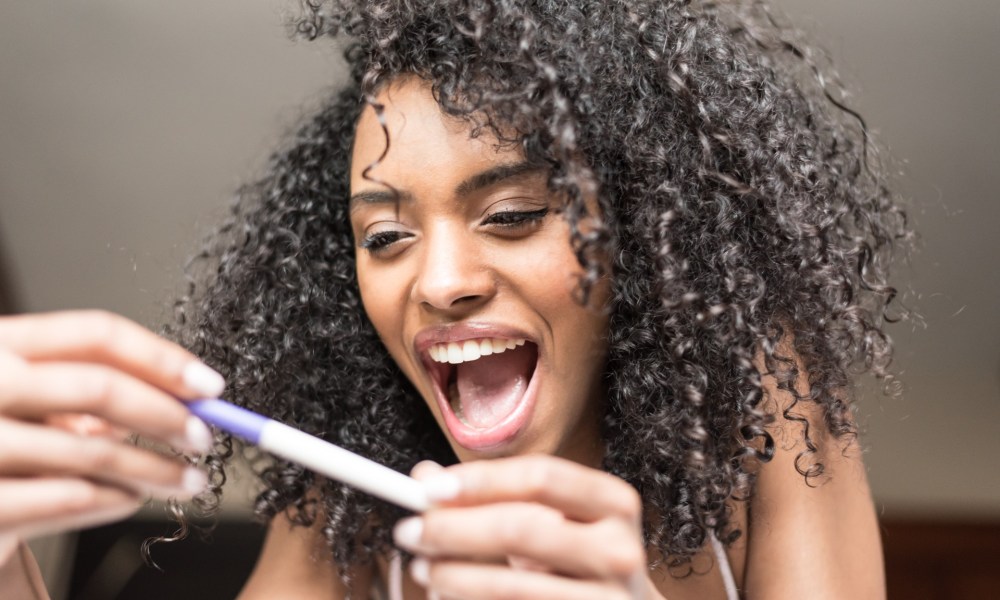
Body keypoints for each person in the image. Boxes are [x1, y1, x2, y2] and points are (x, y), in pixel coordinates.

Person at [0, 0, 911, 598]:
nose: (438, 283)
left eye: (511, 214)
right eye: (385, 237)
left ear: (644, 235)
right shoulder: (350, 518)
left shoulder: (766, 413)